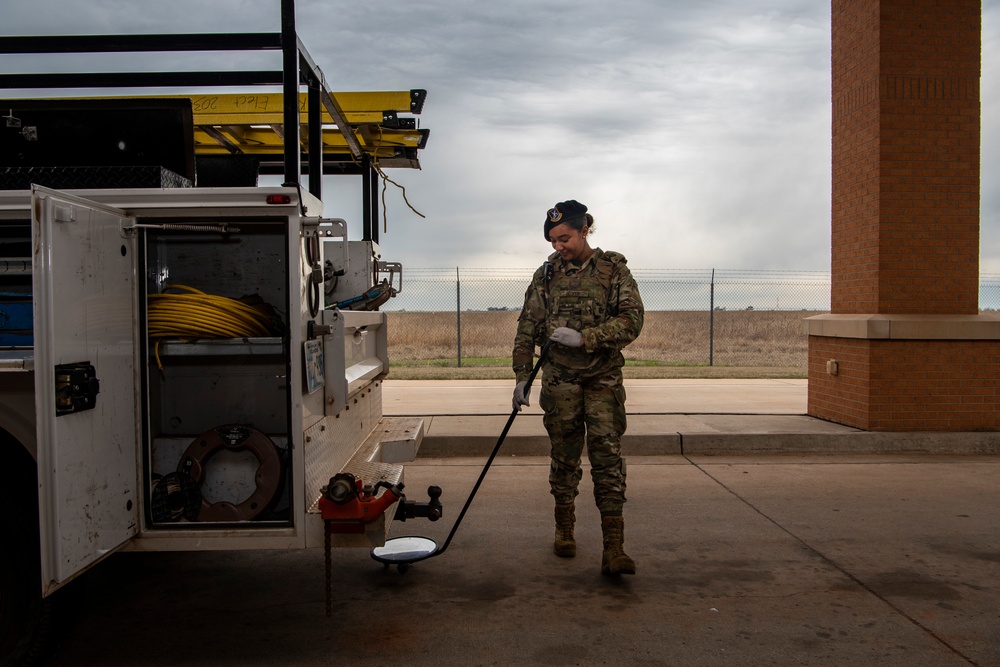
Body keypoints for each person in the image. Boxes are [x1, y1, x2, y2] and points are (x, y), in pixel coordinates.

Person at [511, 200, 644, 575]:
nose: (559, 247)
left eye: (564, 238)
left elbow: (632, 321)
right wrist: (522, 375)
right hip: (559, 381)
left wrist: (585, 338)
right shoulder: (547, 274)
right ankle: (565, 530)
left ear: (584, 229)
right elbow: (527, 325)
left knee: (607, 459)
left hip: (602, 379)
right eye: (553, 241)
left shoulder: (612, 269)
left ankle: (614, 549)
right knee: (564, 459)